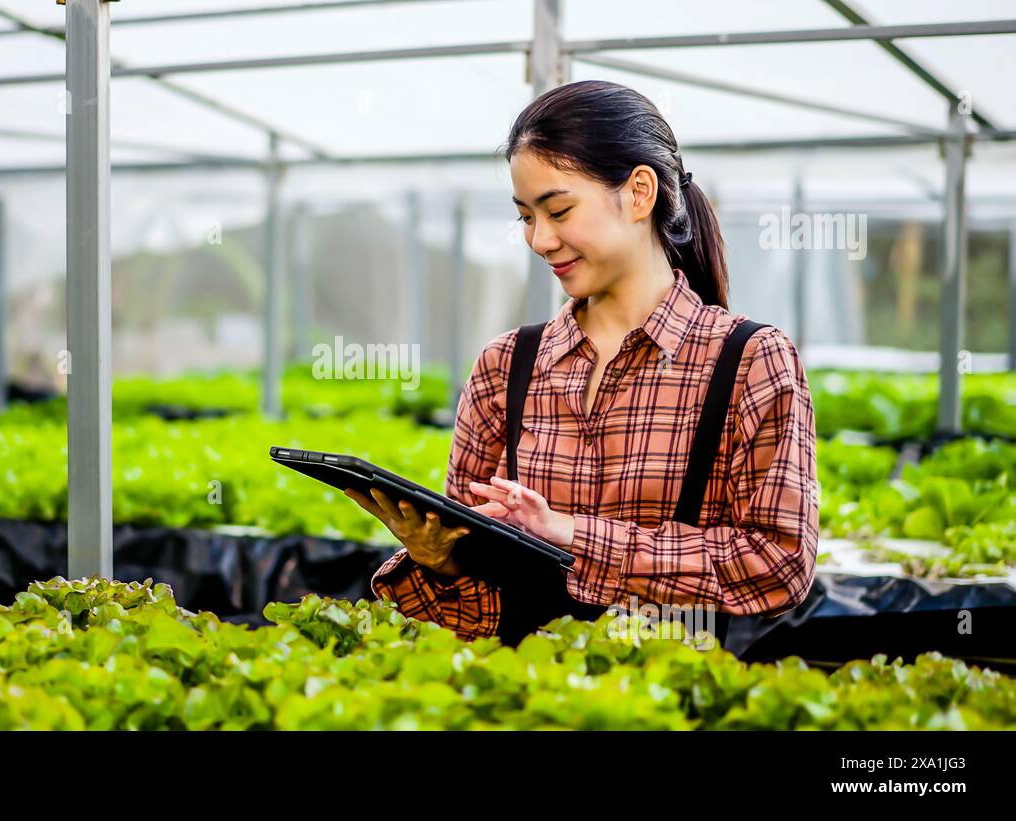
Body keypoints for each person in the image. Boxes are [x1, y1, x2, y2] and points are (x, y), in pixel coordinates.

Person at [346, 79, 818, 642]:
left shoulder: (750, 362)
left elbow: (777, 563)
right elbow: (473, 613)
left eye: (558, 210)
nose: (540, 240)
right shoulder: (504, 366)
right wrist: (441, 560)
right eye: (525, 217)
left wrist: (570, 534)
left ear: (640, 194)